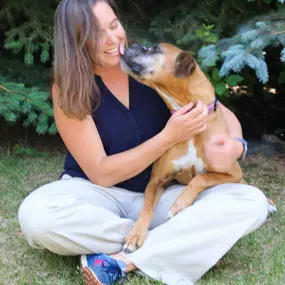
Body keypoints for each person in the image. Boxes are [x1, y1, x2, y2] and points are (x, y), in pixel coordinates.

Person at [18, 0, 270, 284]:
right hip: (95, 197)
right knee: (36, 215)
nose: (113, 39)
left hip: (161, 197)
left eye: (114, 25)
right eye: (97, 34)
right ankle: (180, 242)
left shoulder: (151, 65)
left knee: (251, 202)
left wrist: (234, 143)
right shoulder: (70, 87)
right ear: (76, 41)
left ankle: (122, 258)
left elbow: (218, 111)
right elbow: (101, 173)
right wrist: (168, 137)